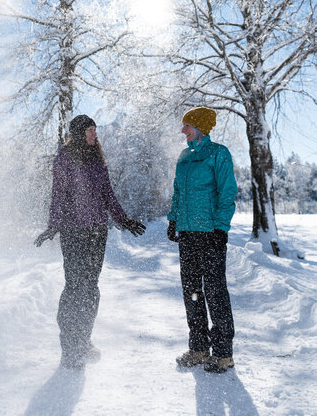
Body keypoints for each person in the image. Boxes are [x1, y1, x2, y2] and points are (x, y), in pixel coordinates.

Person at [34, 114, 146, 369]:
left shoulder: (97, 160)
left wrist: (123, 219)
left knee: (91, 287)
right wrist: (54, 225)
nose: (95, 134)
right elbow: (57, 195)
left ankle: (84, 340)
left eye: (95, 130)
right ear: (79, 133)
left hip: (97, 231)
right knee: (74, 286)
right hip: (74, 231)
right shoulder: (65, 158)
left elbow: (108, 194)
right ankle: (69, 345)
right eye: (91, 130)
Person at [167, 107, 237, 373]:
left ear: (200, 127)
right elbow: (178, 191)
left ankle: (222, 353)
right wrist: (174, 219)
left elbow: (227, 191)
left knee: (216, 291)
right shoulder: (184, 156)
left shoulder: (219, 153)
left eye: (187, 125)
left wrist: (221, 227)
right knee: (192, 290)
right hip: (187, 233)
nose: (183, 130)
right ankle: (198, 348)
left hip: (210, 233)